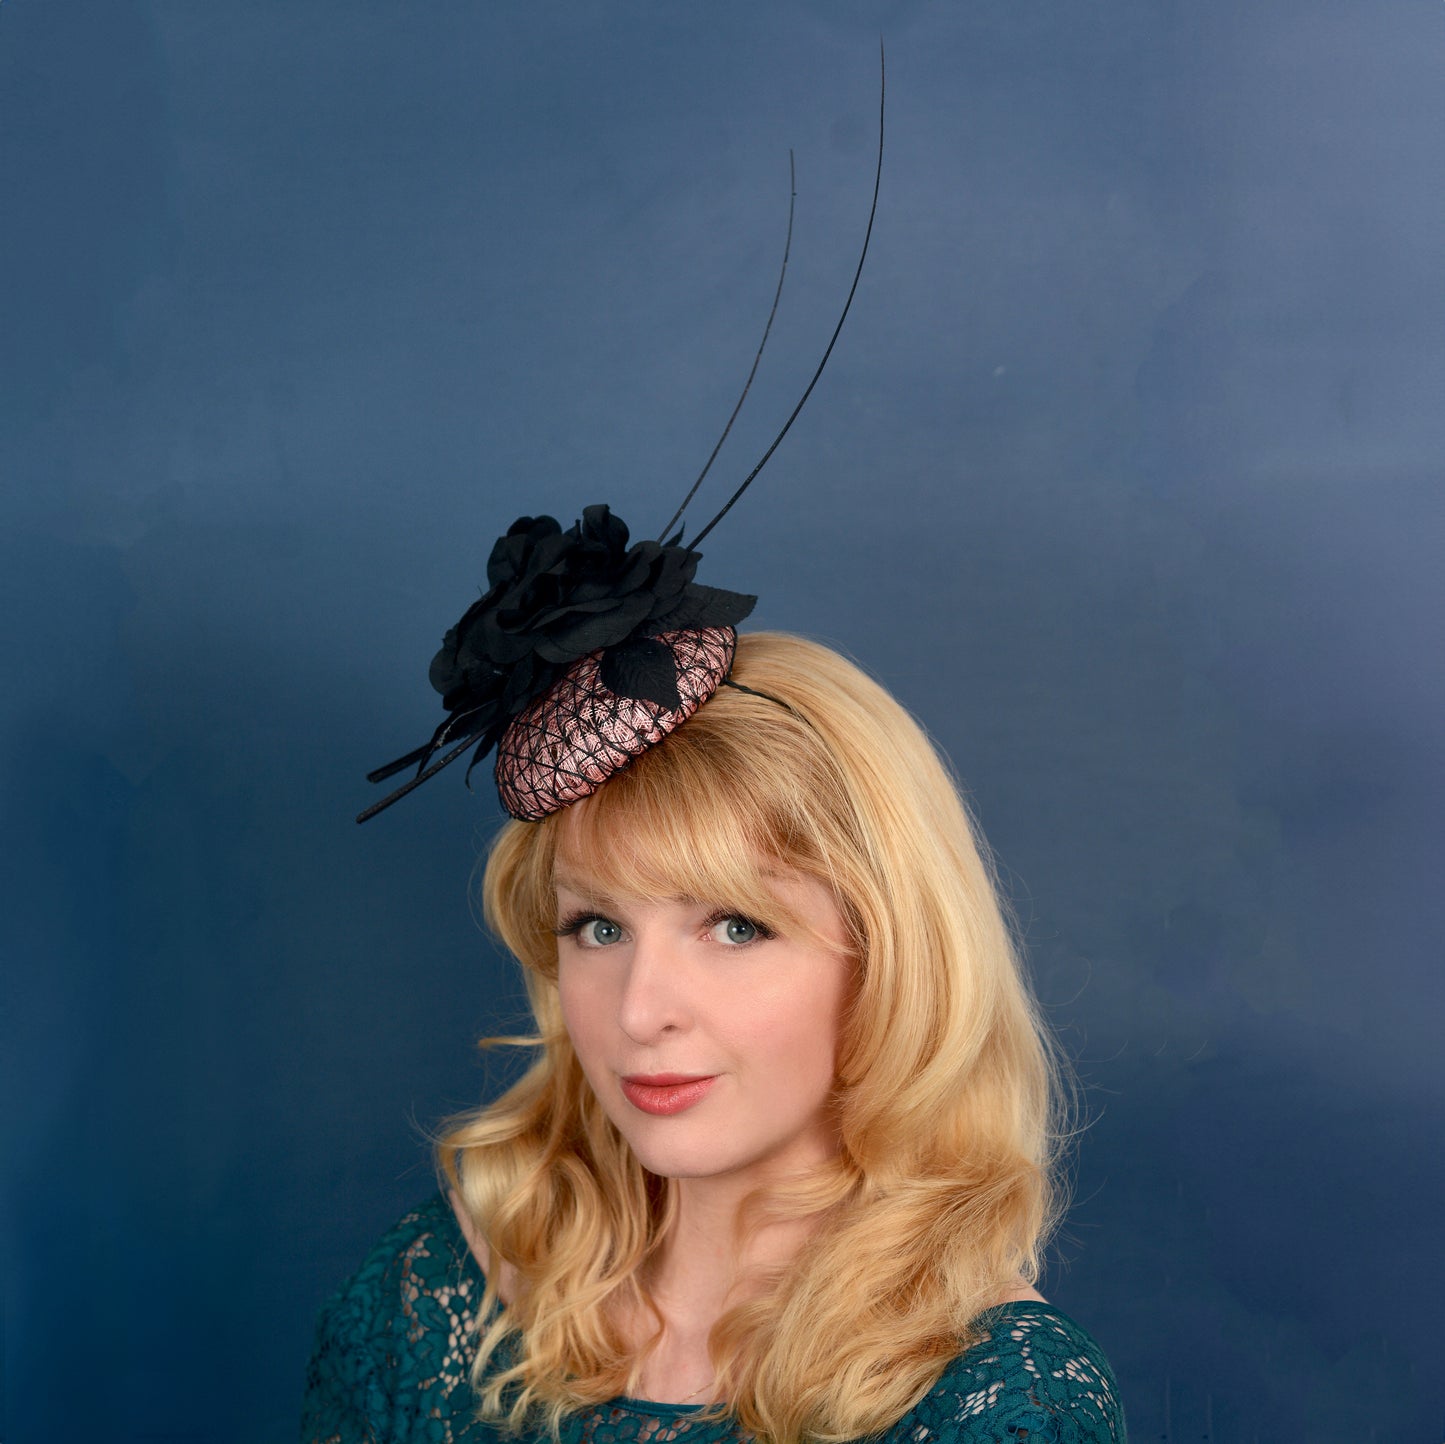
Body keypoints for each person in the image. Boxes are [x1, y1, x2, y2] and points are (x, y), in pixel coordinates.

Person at [302, 621, 1127, 1442]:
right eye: (597, 927)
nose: (638, 1011)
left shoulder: (1001, 1402)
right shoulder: (437, 1298)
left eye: (734, 927)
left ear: (890, 958)